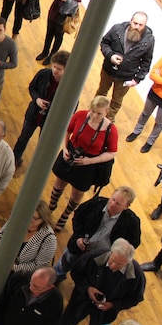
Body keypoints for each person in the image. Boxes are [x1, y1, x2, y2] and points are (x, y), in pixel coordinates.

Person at [44, 239, 145, 325]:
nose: (112, 266)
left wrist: (113, 305)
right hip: (81, 299)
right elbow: (76, 272)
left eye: (119, 265)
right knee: (67, 320)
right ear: (110, 252)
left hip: (105, 311)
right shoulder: (94, 256)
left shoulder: (136, 275)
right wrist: (88, 288)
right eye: (112, 260)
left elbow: (135, 298)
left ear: (128, 262)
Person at [49, 96, 119, 229]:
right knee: (59, 183)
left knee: (77, 192)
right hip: (70, 153)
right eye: (92, 111)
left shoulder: (111, 130)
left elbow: (112, 153)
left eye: (99, 113)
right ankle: (51, 207)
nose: (94, 115)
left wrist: (90, 161)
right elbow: (68, 130)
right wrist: (64, 148)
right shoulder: (80, 115)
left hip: (88, 164)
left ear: (106, 112)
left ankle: (65, 215)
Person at [52, 186, 140, 280]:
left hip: (103, 256)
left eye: (118, 203)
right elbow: (78, 216)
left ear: (126, 206)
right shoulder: (96, 203)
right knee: (66, 261)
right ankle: (57, 276)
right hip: (80, 245)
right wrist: (79, 236)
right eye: (113, 199)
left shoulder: (132, 221)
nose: (112, 204)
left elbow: (134, 242)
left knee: (89, 275)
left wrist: (116, 252)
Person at [12, 51, 69, 167]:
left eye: (59, 69)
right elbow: (32, 87)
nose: (55, 71)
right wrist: (37, 99)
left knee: (43, 146)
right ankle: (14, 159)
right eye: (54, 66)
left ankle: (38, 167)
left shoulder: (69, 86)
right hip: (34, 114)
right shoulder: (43, 74)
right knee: (23, 138)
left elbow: (71, 109)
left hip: (50, 121)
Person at [96, 12, 155, 121]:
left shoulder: (149, 40)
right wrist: (110, 55)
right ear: (130, 21)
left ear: (145, 25)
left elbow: (146, 62)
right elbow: (104, 43)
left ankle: (107, 122)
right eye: (135, 23)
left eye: (140, 25)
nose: (137, 27)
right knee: (101, 92)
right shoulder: (117, 29)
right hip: (108, 70)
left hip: (126, 77)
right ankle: (94, 112)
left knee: (116, 101)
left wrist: (137, 79)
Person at [37, 0, 83, 64]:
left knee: (58, 35)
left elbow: (77, 4)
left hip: (65, 14)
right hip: (55, 9)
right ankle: (45, 51)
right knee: (49, 32)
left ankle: (52, 55)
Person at [0, 200, 57, 274]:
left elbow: (38, 266)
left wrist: (13, 267)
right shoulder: (19, 219)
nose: (29, 219)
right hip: (1, 264)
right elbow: (1, 234)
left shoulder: (49, 240)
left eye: (34, 218)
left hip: (22, 276)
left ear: (43, 219)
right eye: (28, 215)